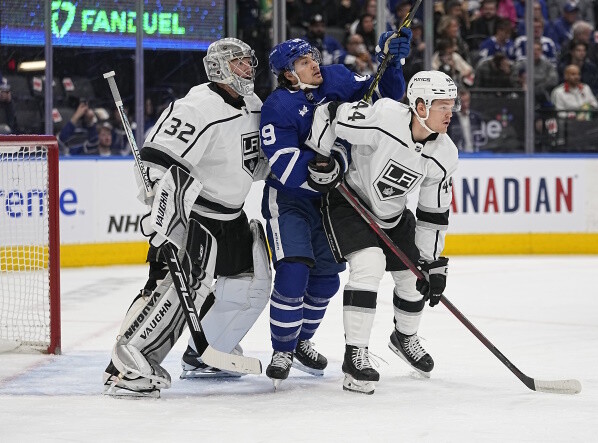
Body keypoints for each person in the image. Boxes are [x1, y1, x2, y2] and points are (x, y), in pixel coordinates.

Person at [102, 38, 271, 398]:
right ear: (219, 68)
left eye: (248, 62)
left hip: (232, 216)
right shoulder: (196, 106)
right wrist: (160, 208)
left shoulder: (253, 105)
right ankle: (126, 365)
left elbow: (252, 164)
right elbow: (156, 160)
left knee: (250, 285)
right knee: (171, 290)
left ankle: (206, 352)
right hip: (194, 216)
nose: (248, 69)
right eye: (240, 63)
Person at [259, 32, 410, 387]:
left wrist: (390, 62)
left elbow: (384, 97)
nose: (314, 65)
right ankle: (282, 348)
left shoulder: (338, 78)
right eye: (303, 62)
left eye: (313, 57)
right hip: (289, 201)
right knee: (294, 272)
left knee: (326, 280)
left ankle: (301, 341)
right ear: (287, 74)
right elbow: (286, 167)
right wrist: (327, 161)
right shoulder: (277, 106)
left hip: (331, 203)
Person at [305, 70, 459, 394]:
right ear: (419, 106)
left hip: (393, 214)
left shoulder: (445, 153)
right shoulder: (385, 117)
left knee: (413, 277)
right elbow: (330, 114)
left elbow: (433, 214)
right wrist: (321, 158)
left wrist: (431, 262)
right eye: (441, 105)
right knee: (369, 265)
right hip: (351, 202)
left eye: (452, 105)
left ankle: (404, 337)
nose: (450, 112)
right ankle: (355, 356)